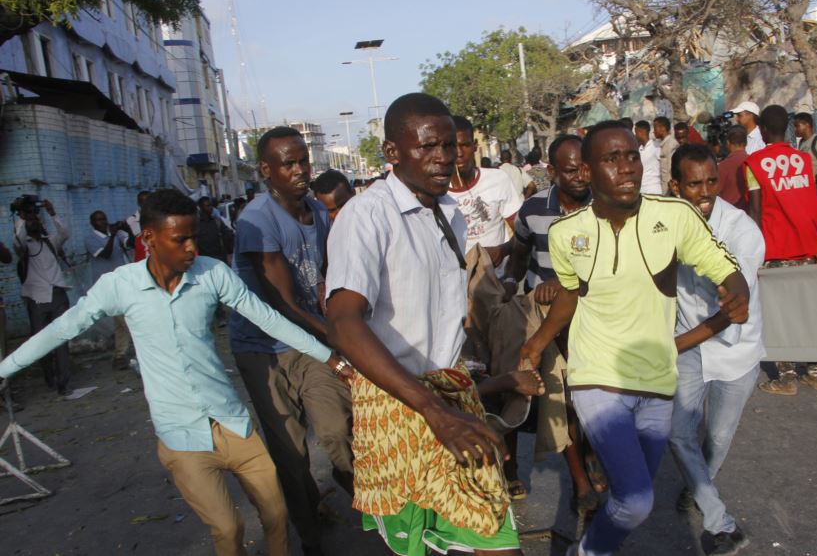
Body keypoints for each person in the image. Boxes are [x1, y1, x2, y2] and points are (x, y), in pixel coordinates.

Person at [0, 189, 347, 556]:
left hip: (233, 425)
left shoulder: (213, 273)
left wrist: (331, 359)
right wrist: (5, 368)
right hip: (181, 437)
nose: (191, 248)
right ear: (148, 238)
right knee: (228, 530)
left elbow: (269, 319)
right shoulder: (120, 285)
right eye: (180, 239)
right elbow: (62, 328)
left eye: (193, 237)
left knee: (276, 515)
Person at [520, 121, 749, 556]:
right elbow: (572, 294)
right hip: (596, 378)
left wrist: (737, 290)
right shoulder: (567, 233)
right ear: (587, 171)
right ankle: (591, 551)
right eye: (612, 158)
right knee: (638, 500)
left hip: (657, 381)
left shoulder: (674, 216)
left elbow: (723, 265)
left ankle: (592, 540)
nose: (627, 168)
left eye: (631, 156)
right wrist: (537, 343)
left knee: (631, 495)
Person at [325, 93, 521, 556]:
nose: (443, 159)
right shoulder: (366, 215)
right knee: (419, 545)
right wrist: (433, 410)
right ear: (393, 153)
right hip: (400, 403)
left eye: (450, 146)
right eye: (428, 147)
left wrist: (462, 397)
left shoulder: (450, 212)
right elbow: (342, 321)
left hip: (451, 396)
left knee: (496, 539)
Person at [230, 127, 355, 555]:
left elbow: (321, 280)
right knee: (290, 453)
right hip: (262, 348)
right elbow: (282, 304)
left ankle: (355, 486)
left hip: (308, 342)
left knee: (337, 426)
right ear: (266, 170)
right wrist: (337, 339)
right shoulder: (256, 220)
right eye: (289, 163)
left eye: (303, 160)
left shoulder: (317, 214)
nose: (300, 170)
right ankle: (310, 535)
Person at [667, 144, 764, 556]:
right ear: (676, 186)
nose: (705, 192)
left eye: (711, 182)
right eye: (694, 184)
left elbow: (732, 304)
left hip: (735, 350)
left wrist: (671, 345)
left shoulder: (742, 230)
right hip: (689, 346)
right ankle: (719, 519)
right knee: (677, 433)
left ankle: (698, 484)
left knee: (718, 437)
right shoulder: (663, 225)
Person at [502, 134, 601, 513]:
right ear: (552, 171)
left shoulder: (604, 209)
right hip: (550, 322)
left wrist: (565, 284)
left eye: (586, 168)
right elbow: (521, 254)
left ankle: (591, 452)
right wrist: (513, 288)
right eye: (572, 170)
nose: (581, 177)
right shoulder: (531, 211)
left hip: (595, 318)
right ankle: (579, 481)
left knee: (590, 397)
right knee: (560, 400)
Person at [745, 105, 817, 395]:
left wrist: (753, 253)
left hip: (776, 248)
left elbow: (755, 209)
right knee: (809, 311)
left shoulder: (754, 163)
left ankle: (787, 377)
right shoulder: (803, 160)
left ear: (763, 129)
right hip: (807, 246)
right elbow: (811, 203)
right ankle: (814, 371)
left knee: (778, 315)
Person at [12, 198, 72, 395]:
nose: (34, 221)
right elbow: (18, 239)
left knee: (62, 339)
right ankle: (50, 376)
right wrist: (22, 217)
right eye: (31, 220)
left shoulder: (50, 242)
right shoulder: (24, 245)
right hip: (36, 298)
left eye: (36, 219)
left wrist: (52, 212)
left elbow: (64, 233)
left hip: (58, 294)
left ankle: (64, 381)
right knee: (42, 341)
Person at [449, 116, 524, 265]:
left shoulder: (497, 179)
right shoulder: (436, 193)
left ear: (475, 146)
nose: (459, 153)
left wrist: (502, 251)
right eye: (451, 146)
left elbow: (523, 233)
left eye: (465, 145)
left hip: (496, 279)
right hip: (458, 283)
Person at [85, 210, 134, 369]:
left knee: (121, 323)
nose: (103, 222)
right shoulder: (90, 239)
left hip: (122, 283)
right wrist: (113, 236)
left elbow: (131, 244)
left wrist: (128, 230)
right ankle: (140, 352)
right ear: (93, 223)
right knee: (126, 320)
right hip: (107, 287)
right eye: (99, 220)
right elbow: (105, 254)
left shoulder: (117, 233)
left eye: (104, 219)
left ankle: (119, 356)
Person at [793, 112, 817, 262]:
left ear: (807, 125)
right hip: (808, 195)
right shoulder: (802, 144)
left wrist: (810, 182)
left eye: (797, 126)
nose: (795, 129)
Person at [716, 126, 750, 211]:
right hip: (750, 214)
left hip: (729, 214)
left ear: (728, 143)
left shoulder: (723, 166)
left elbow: (715, 192)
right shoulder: (753, 162)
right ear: (746, 143)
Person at [196, 196, 234, 264]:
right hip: (204, 260)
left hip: (220, 258)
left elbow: (227, 235)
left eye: (211, 205)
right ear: (201, 208)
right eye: (207, 206)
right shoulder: (196, 224)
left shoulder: (217, 221)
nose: (210, 208)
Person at [635, 120, 662, 195]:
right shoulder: (639, 149)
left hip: (654, 190)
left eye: (636, 132)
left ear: (641, 132)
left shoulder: (656, 147)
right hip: (642, 190)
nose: (635, 135)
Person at [654, 116, 679, 195]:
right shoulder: (663, 145)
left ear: (662, 128)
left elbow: (671, 170)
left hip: (670, 190)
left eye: (655, 128)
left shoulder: (671, 144)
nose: (654, 132)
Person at [127, 190, 151, 262]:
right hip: (140, 260)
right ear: (139, 203)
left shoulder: (159, 219)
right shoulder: (130, 221)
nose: (147, 205)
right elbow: (130, 244)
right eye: (144, 202)